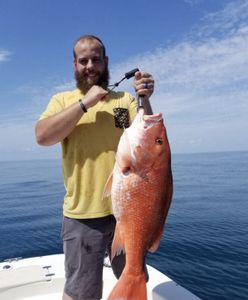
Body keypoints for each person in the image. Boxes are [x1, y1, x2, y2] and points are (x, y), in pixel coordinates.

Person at [35, 34, 155, 300]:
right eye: (83, 60)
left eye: (96, 59)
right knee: (80, 292)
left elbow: (147, 135)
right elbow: (43, 136)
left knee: (135, 278)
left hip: (127, 212)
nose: (90, 65)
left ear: (106, 62)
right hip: (82, 214)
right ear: (74, 64)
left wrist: (144, 98)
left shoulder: (124, 101)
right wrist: (84, 103)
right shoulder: (62, 101)